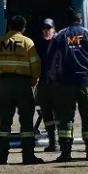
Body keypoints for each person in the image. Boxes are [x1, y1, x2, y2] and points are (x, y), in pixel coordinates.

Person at [50, 7, 88, 162]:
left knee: (66, 118)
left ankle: (66, 152)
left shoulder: (59, 36)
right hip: (86, 83)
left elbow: (52, 61)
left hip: (65, 84)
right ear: (80, 20)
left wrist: (54, 79)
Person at [0, 15, 44, 165]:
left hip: (4, 84)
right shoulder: (27, 42)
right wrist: (34, 80)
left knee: (4, 123)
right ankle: (28, 156)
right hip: (23, 84)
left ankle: (1, 157)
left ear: (9, 26)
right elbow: (36, 64)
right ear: (23, 29)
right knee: (26, 122)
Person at [34, 19, 60, 152]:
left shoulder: (60, 42)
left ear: (54, 29)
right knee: (47, 114)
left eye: (48, 28)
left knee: (60, 115)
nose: (46, 31)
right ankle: (53, 142)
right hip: (44, 84)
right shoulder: (38, 45)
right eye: (44, 28)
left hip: (57, 85)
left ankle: (63, 142)